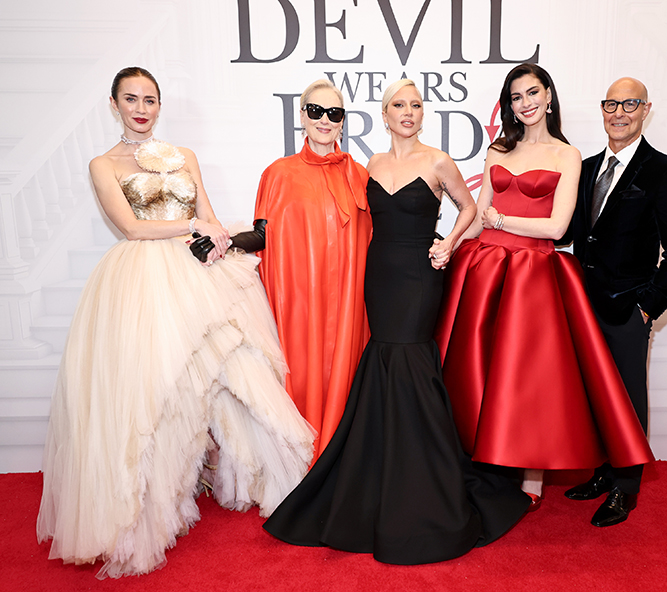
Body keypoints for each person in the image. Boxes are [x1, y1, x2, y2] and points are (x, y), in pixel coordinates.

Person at [36, 67, 316, 578]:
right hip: (145, 278)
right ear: (114, 104)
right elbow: (131, 227)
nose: (141, 108)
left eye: (150, 100)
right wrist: (192, 224)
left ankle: (267, 482)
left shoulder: (184, 155)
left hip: (199, 268)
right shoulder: (103, 164)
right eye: (131, 99)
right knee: (157, 390)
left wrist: (219, 238)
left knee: (238, 371)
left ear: (160, 105)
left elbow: (209, 213)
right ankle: (151, 507)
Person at [263, 79, 531, 565]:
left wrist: (448, 244)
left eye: (415, 105)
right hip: (380, 275)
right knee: (384, 357)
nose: (408, 112)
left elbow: (470, 207)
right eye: (398, 106)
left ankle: (426, 476)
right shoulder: (370, 167)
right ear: (384, 116)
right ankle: (382, 470)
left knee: (412, 360)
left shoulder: (438, 161)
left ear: (422, 114)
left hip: (421, 274)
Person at [434, 63, 654, 511]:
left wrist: (502, 221)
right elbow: (478, 217)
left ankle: (532, 475)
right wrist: (449, 243)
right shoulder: (498, 149)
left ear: (549, 95)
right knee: (478, 368)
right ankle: (483, 459)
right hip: (485, 267)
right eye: (516, 97)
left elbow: (556, 228)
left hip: (533, 272)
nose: (525, 103)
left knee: (530, 374)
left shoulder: (568, 156)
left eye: (532, 93)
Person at [560, 77, 667, 526]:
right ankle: (603, 471)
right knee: (593, 395)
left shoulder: (664, 171)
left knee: (628, 399)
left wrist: (648, 306)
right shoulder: (585, 168)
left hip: (628, 309)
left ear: (645, 109)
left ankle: (626, 486)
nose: (619, 113)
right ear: (602, 110)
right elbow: (568, 232)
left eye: (629, 104)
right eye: (611, 104)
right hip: (583, 306)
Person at [226, 80, 372, 456]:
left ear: (343, 121)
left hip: (348, 307)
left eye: (334, 113)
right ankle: (299, 460)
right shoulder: (278, 173)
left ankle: (338, 460)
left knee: (346, 378)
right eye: (316, 111)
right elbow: (262, 235)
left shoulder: (360, 176)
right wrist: (226, 242)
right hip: (298, 305)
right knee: (300, 378)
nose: (325, 120)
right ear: (302, 115)